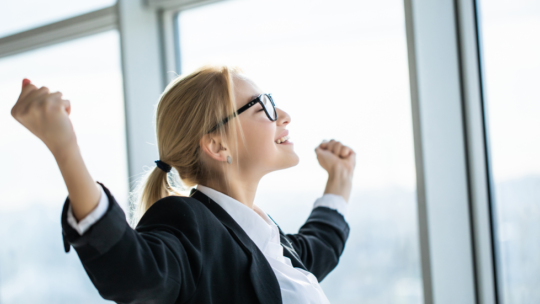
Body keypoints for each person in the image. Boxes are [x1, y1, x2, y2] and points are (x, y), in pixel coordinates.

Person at [11, 65, 356, 304]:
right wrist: (65, 148)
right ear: (218, 145)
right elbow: (134, 271)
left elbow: (316, 248)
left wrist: (339, 179)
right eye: (262, 105)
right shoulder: (186, 221)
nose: (283, 115)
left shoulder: (263, 236)